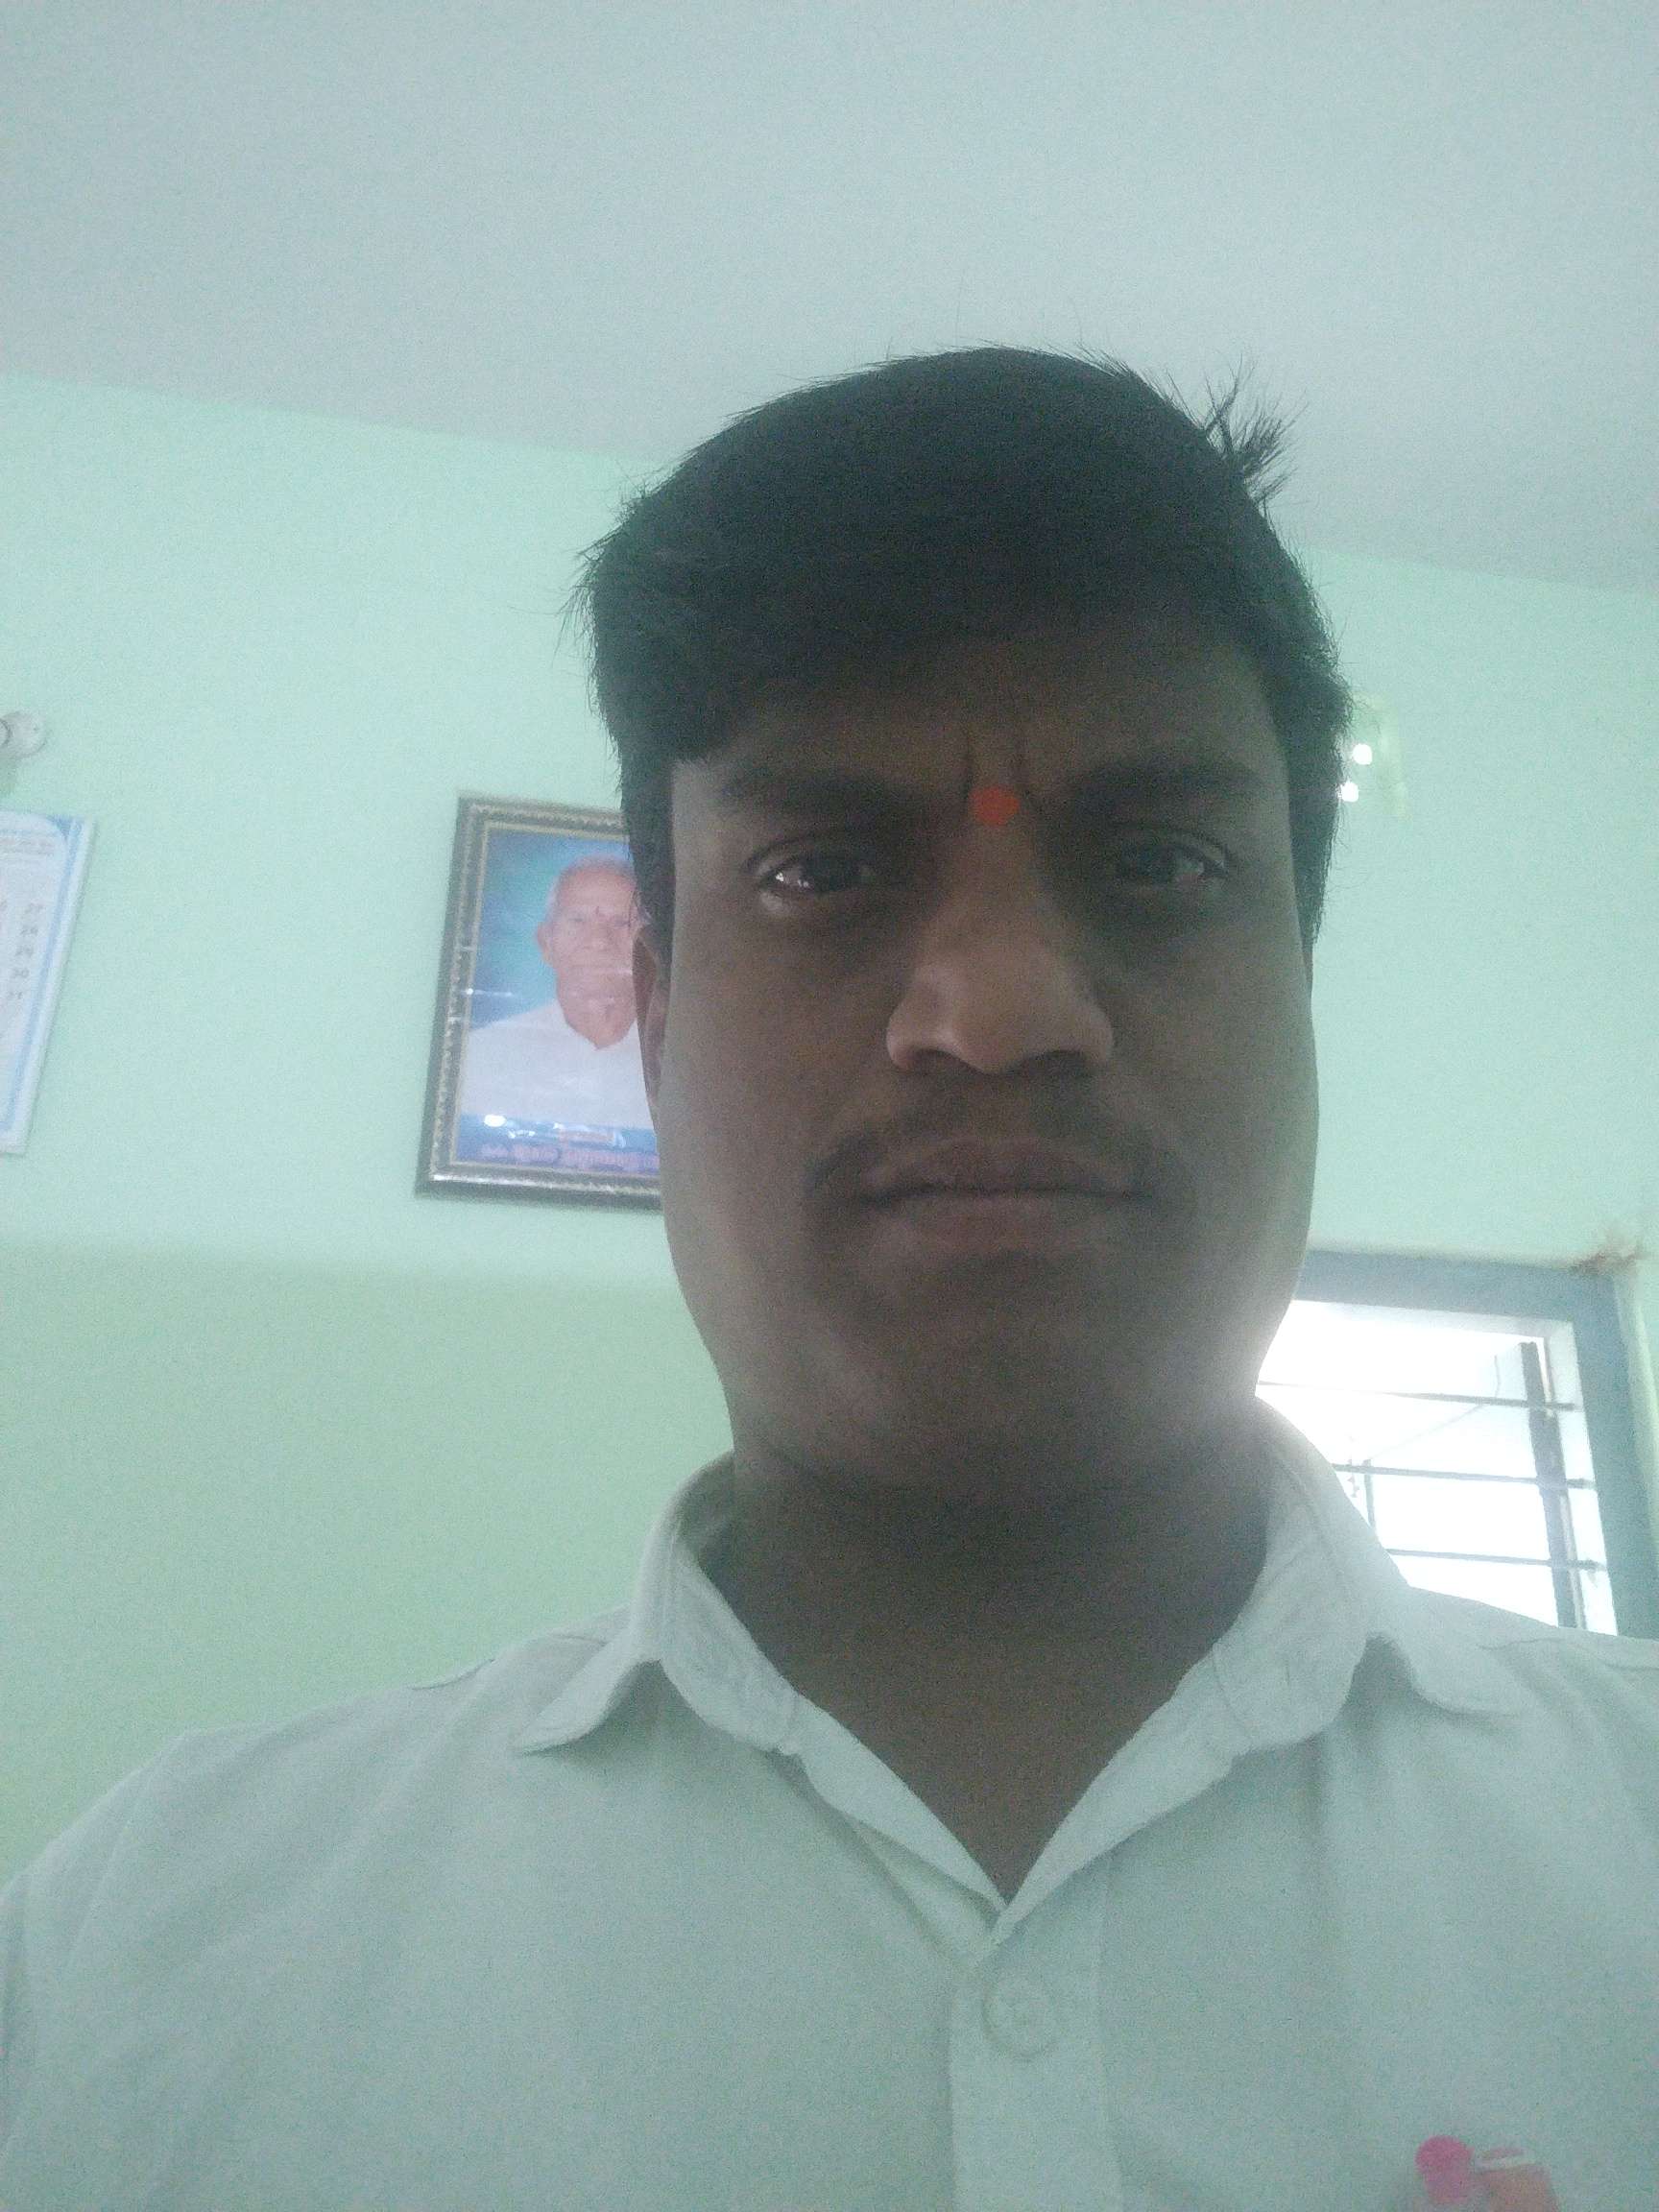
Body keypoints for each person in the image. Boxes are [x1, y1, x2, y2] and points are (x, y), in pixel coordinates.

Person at [2, 347, 1654, 2210]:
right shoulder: (149, 1959)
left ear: (1299, 990)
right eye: (819, 871)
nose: (998, 1009)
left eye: (1162, 859)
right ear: (652, 1034)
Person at [457, 854, 653, 1134]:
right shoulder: (481, 1056)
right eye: (578, 921)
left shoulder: (683, 1062)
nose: (599, 941)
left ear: (649, 946)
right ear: (545, 942)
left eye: (622, 923)